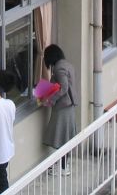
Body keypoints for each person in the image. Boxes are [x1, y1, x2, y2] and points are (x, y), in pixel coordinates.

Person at [40, 44, 77, 176]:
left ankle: (62, 168)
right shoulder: (66, 64)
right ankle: (63, 165)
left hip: (63, 107)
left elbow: (63, 87)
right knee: (64, 136)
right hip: (68, 107)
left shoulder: (59, 68)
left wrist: (51, 100)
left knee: (61, 136)